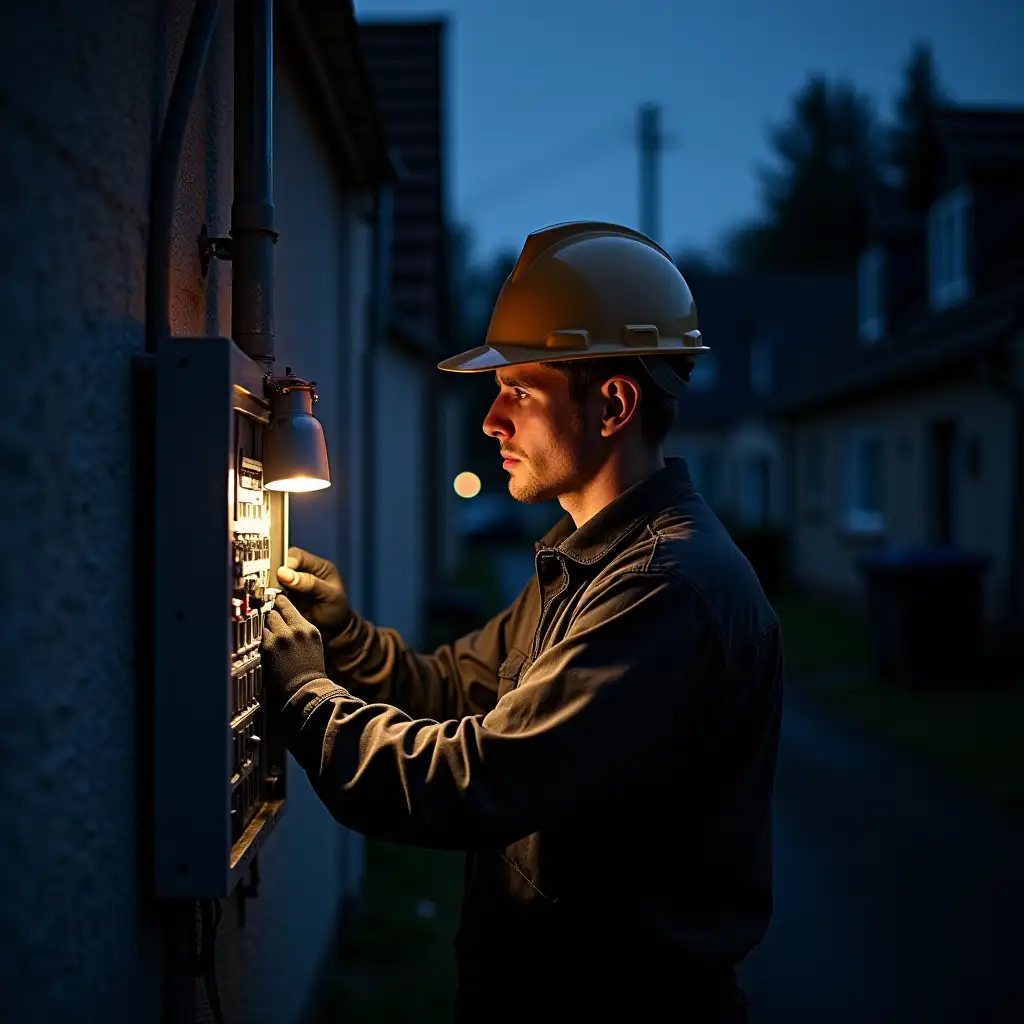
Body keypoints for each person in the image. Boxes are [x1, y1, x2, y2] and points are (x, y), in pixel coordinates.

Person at [260, 221, 783, 1022]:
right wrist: (343, 640)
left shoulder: (662, 591)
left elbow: (481, 780)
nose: (491, 420)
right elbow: (456, 687)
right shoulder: (590, 560)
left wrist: (305, 697)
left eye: (520, 392)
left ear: (612, 403)